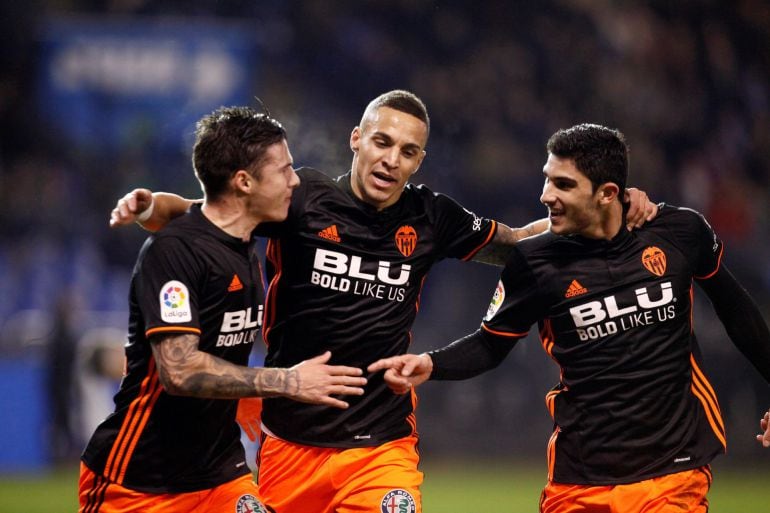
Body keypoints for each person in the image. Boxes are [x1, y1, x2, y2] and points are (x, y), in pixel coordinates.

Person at [110, 92, 657, 513]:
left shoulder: (432, 217)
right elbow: (216, 209)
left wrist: (607, 205)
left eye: (408, 151)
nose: (392, 160)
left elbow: (515, 244)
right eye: (382, 143)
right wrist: (150, 205)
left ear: (419, 160)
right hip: (289, 441)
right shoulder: (301, 200)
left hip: (382, 444)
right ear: (356, 139)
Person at [368, 123, 770, 513]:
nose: (546, 195)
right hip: (579, 477)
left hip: (673, 470)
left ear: (607, 193)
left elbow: (737, 311)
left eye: (563, 184)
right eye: (547, 179)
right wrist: (430, 363)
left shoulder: (680, 232)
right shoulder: (534, 262)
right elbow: (491, 343)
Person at [79, 106, 367, 513]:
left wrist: (243, 392)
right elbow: (179, 371)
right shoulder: (175, 252)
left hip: (217, 475)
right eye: (284, 170)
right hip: (138, 482)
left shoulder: (243, 240)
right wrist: (286, 382)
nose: (295, 180)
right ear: (244, 182)